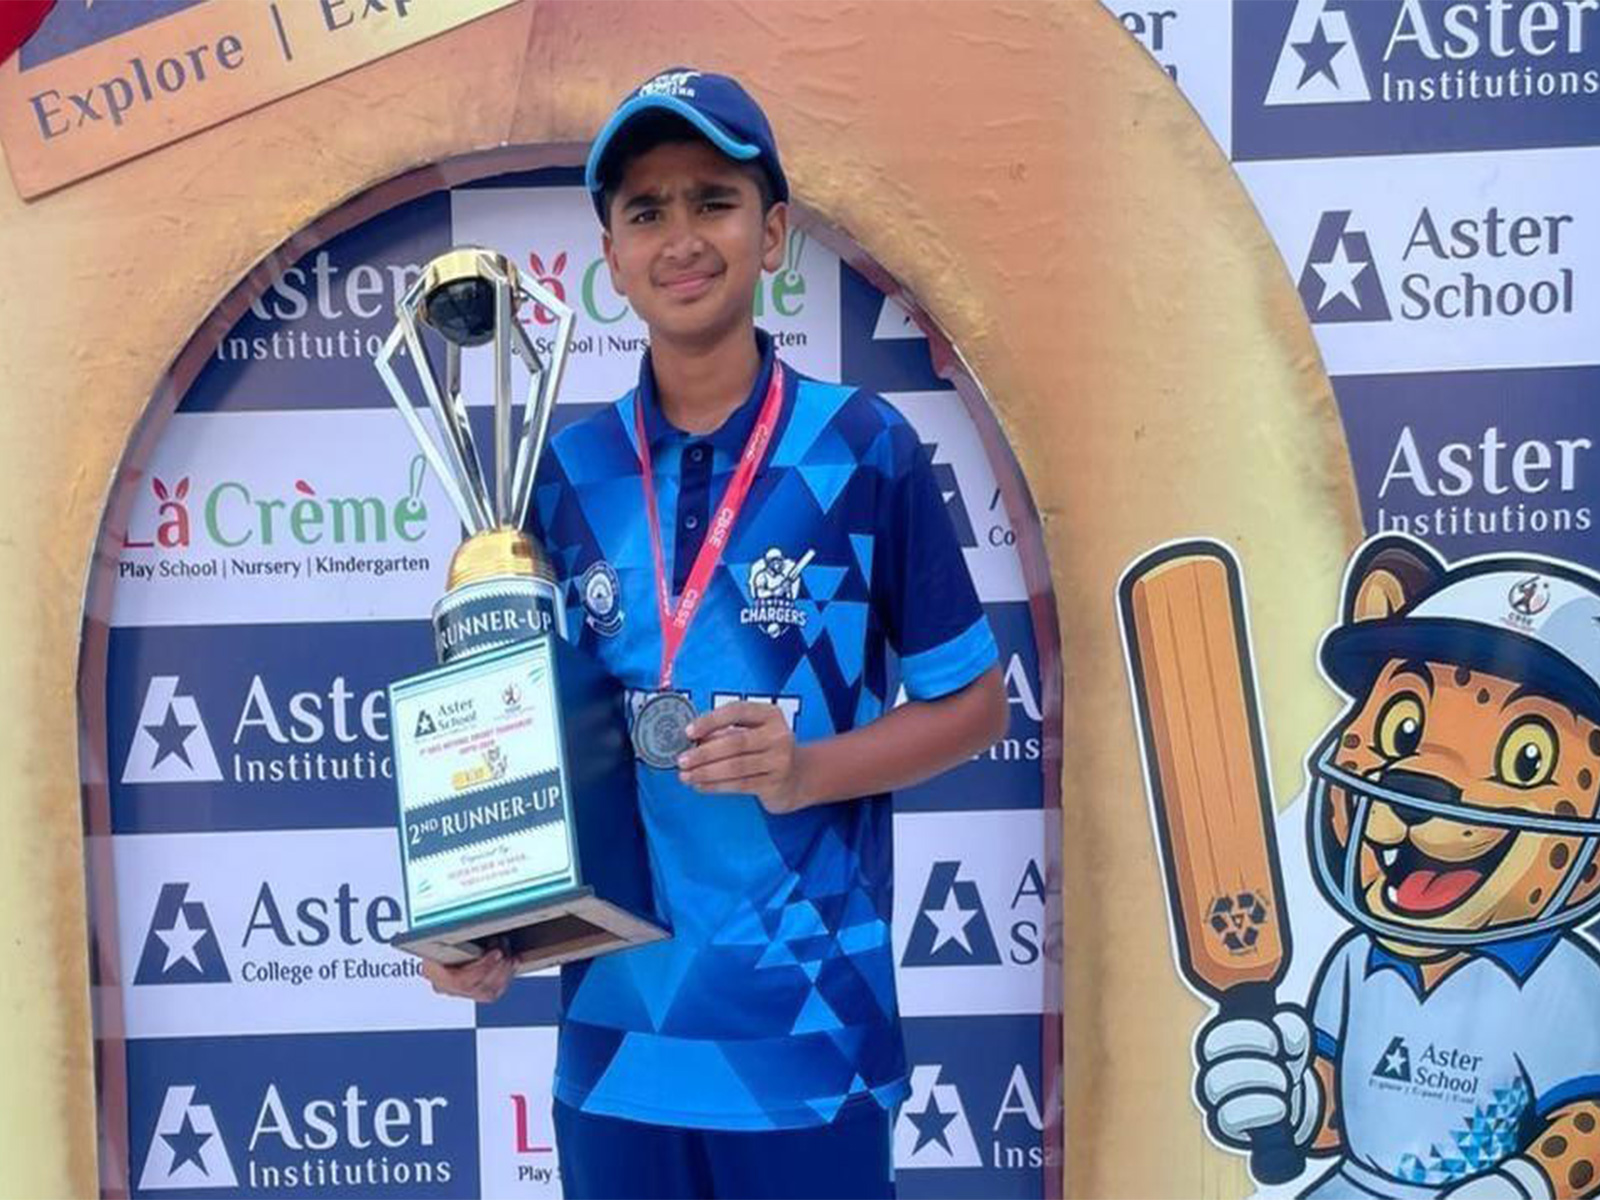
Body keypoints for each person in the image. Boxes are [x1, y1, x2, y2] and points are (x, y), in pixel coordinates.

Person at [423, 67, 1008, 1200]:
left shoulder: (864, 447)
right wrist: (481, 923)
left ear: (772, 230)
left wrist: (808, 771)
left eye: (712, 200)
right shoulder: (556, 477)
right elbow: (505, 748)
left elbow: (973, 706)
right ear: (610, 253)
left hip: (809, 1039)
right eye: (645, 209)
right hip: (615, 1050)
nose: (680, 236)